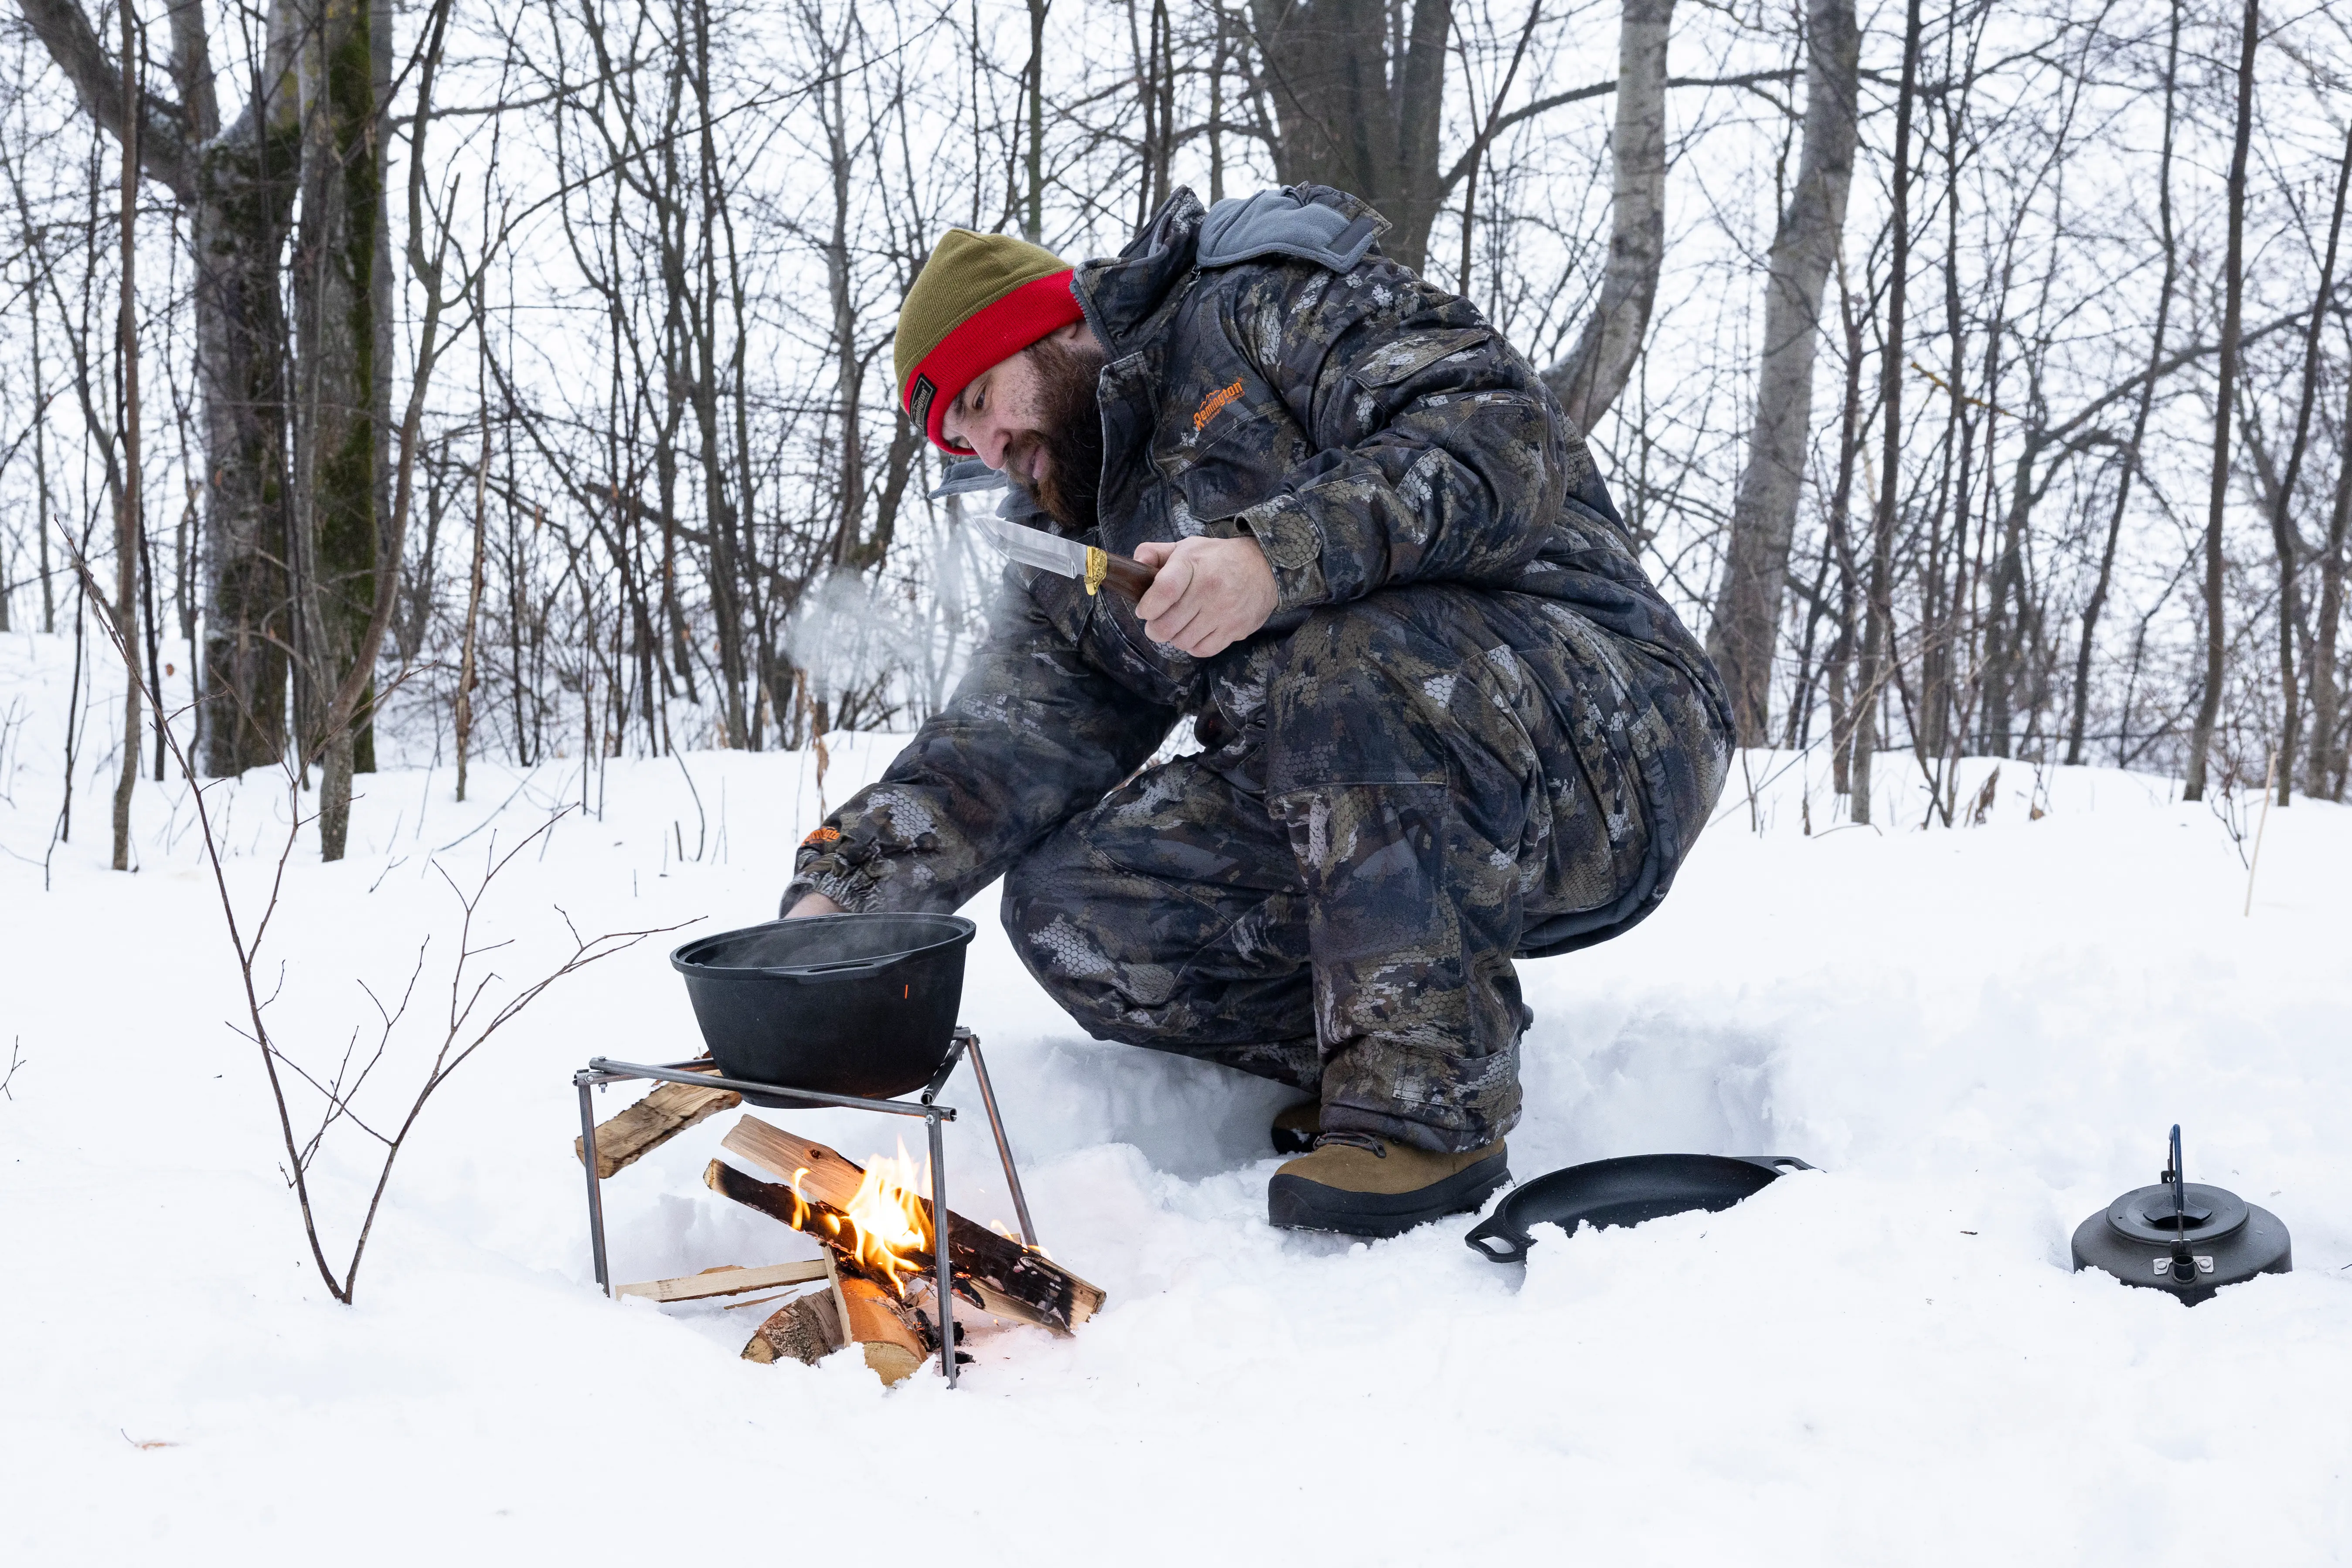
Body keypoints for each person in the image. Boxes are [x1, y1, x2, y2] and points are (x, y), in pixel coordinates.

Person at [783, 186, 1733, 1238]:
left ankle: (1429, 1105)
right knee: (1073, 907)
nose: (986, 446)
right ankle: (1397, 1027)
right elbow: (1005, 743)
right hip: (1370, 771)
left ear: (1042, 328)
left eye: (978, 400)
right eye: (957, 438)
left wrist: (1273, 559)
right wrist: (840, 899)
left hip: (1606, 731)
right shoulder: (1074, 537)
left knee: (1331, 659)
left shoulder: (1254, 308)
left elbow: (1500, 437)